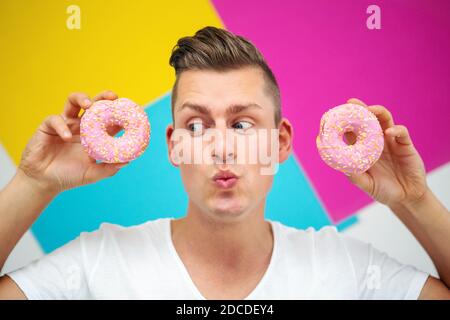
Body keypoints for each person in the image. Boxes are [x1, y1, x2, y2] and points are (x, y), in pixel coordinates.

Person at [0, 26, 449, 300]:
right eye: (196, 127)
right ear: (173, 146)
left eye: (241, 124)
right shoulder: (100, 260)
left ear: (280, 142)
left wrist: (413, 199)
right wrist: (34, 183)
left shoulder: (342, 268)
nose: (221, 148)